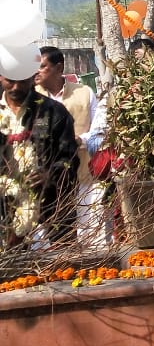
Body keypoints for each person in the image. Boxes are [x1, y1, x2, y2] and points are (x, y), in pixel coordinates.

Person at [1, 63, 78, 246]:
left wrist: (50, 175)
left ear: (33, 78)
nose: (16, 87)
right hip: (5, 203)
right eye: (10, 81)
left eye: (22, 81)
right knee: (11, 265)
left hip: (51, 200)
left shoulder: (53, 111)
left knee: (65, 260)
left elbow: (70, 158)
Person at [35, 47, 97, 239]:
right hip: (42, 181)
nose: (37, 71)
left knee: (88, 233)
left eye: (43, 66)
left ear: (58, 68)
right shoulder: (31, 98)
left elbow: (99, 129)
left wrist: (81, 139)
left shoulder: (84, 93)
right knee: (45, 239)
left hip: (83, 175)